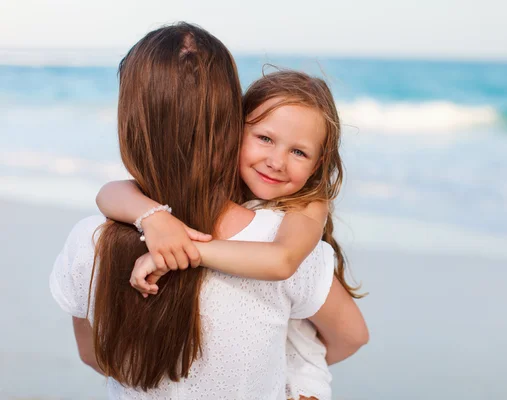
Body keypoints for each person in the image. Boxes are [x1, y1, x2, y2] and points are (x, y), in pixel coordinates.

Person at [49, 22, 367, 399]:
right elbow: (351, 337)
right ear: (234, 123)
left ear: (131, 124)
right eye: (265, 138)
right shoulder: (280, 243)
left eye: (298, 151)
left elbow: (96, 356)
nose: (277, 161)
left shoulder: (91, 243)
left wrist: (169, 234)